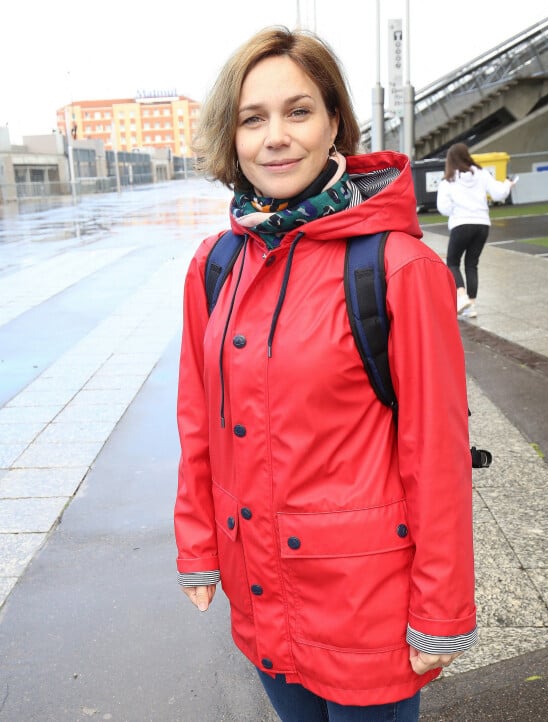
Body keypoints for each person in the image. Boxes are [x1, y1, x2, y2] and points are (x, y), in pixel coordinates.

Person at [174, 26, 477, 722]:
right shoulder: (215, 266)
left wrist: (444, 607)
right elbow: (199, 417)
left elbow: (436, 453)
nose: (275, 136)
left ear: (334, 121)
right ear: (234, 135)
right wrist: (198, 543)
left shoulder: (399, 268)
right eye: (253, 118)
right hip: (263, 595)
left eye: (298, 110)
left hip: (367, 612)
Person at [436, 142, 516, 318]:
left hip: (461, 223)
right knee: (472, 264)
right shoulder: (481, 173)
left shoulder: (449, 179)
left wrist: (455, 211)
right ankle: (471, 305)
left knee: (453, 262)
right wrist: (508, 185)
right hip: (482, 224)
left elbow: (443, 207)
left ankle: (461, 295)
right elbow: (498, 194)